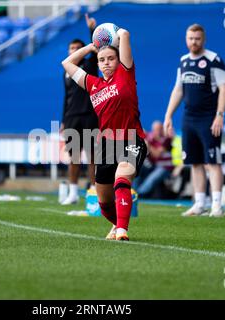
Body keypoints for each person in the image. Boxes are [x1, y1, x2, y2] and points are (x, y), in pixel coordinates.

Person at [62, 27, 148, 241]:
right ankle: (116, 224)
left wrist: (114, 35)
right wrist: (91, 47)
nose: (107, 62)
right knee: (103, 202)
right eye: (102, 60)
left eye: (111, 58)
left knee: (122, 178)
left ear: (119, 60)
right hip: (107, 145)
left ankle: (122, 230)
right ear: (97, 64)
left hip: (130, 138)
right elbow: (67, 63)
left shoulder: (125, 74)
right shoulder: (93, 84)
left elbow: (126, 34)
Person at [164, 24, 225, 217]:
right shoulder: (183, 61)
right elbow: (178, 90)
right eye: (191, 38)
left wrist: (219, 115)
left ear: (204, 39)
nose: (194, 42)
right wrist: (168, 115)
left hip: (209, 118)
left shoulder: (213, 60)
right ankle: (199, 203)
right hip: (189, 118)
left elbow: (224, 88)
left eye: (197, 39)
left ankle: (217, 205)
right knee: (194, 162)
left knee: (213, 161)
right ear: (186, 39)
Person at [60, 14, 98, 205]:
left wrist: (92, 30)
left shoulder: (89, 66)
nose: (74, 51)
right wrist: (63, 120)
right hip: (72, 117)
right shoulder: (66, 73)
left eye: (77, 48)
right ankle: (73, 193)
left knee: (92, 156)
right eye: (71, 48)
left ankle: (94, 192)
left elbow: (97, 52)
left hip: (90, 116)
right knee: (73, 157)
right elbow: (66, 98)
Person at [133, 121, 173, 198]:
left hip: (165, 167)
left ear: (163, 129)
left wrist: (146, 143)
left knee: (151, 180)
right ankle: (132, 191)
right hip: (152, 166)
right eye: (155, 129)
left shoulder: (166, 139)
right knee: (135, 169)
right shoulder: (149, 137)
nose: (157, 131)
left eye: (159, 129)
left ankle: (138, 194)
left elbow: (157, 154)